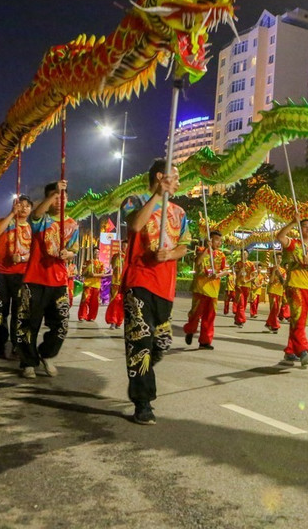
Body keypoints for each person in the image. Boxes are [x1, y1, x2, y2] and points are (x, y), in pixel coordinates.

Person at [122, 160, 191, 424]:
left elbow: (185, 245)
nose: (178, 183)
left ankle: (144, 372)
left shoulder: (180, 212)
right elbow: (136, 226)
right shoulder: (134, 200)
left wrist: (170, 254)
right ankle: (143, 403)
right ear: (161, 177)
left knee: (160, 344)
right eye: (175, 177)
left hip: (166, 286)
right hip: (139, 282)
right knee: (140, 343)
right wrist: (157, 196)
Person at [17, 180, 79, 379]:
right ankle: (28, 362)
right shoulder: (40, 220)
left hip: (59, 281)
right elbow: (35, 214)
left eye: (63, 196)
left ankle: (47, 354)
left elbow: (74, 250)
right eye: (55, 197)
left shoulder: (72, 224)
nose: (60, 200)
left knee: (61, 324)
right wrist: (53, 193)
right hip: (35, 279)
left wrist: (68, 254)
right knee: (29, 323)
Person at [275, 217, 308, 368]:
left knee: (300, 321)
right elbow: (280, 237)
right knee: (297, 317)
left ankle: (290, 351)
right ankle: (303, 350)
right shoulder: (294, 244)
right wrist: (292, 222)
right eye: (304, 226)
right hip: (294, 285)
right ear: (299, 229)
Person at [0, 196, 33, 358]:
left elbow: (35, 252)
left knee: (20, 311)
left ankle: (17, 343)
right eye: (20, 205)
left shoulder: (32, 228)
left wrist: (21, 258)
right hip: (1, 273)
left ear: (30, 209)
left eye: (27, 206)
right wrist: (11, 214)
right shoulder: (6, 222)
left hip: (22, 275)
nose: (23, 208)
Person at [183, 231, 229, 349]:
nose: (219, 242)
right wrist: (207, 250)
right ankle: (190, 330)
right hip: (200, 289)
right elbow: (198, 262)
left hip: (213, 290)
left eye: (220, 240)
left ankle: (205, 341)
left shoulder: (221, 255)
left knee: (209, 316)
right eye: (216, 239)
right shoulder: (201, 250)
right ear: (210, 240)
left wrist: (217, 275)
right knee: (195, 313)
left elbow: (226, 270)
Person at [77, 247, 108, 322]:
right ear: (92, 253)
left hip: (96, 285)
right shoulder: (87, 262)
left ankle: (91, 317)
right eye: (95, 252)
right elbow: (83, 274)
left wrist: (94, 275)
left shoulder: (101, 264)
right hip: (88, 284)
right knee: (85, 300)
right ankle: (82, 316)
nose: (96, 253)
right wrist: (88, 269)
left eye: (97, 252)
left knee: (94, 303)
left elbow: (103, 274)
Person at [104, 240, 127, 329]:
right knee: (114, 301)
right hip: (116, 282)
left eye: (126, 246)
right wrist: (119, 257)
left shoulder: (129, 258)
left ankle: (119, 322)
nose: (124, 247)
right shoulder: (117, 256)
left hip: (125, 283)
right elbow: (113, 266)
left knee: (122, 303)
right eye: (123, 246)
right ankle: (113, 321)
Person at [232, 250, 255, 328]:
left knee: (244, 304)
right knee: (241, 303)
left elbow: (254, 275)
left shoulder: (251, 264)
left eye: (245, 254)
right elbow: (236, 275)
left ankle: (237, 319)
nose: (243, 255)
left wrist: (248, 280)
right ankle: (241, 320)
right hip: (239, 285)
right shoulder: (237, 264)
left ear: (247, 255)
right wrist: (241, 269)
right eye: (242, 254)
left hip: (247, 286)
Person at [264, 261, 288, 333]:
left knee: (276, 310)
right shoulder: (270, 269)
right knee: (273, 308)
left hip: (279, 291)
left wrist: (279, 273)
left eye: (280, 258)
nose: (279, 259)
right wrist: (274, 271)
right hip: (272, 290)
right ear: (274, 259)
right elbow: (271, 281)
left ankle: (269, 323)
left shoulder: (283, 270)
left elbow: (283, 282)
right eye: (277, 258)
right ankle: (274, 326)